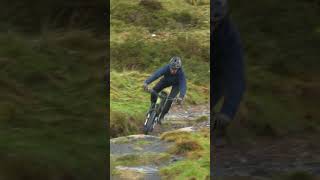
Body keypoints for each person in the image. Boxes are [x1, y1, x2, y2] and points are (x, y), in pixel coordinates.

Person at [211, 0, 246, 133]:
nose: (211, 28)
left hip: (215, 77)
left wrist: (227, 112)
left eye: (214, 24)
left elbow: (237, 76)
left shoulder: (230, 36)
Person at [143, 56, 187, 124]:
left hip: (176, 85)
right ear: (169, 66)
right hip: (166, 81)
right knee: (154, 90)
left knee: (170, 100)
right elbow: (156, 75)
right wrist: (146, 82)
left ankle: (162, 117)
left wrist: (181, 96)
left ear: (178, 68)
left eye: (175, 69)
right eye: (172, 68)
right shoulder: (166, 68)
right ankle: (152, 106)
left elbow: (183, 84)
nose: (173, 70)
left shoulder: (181, 73)